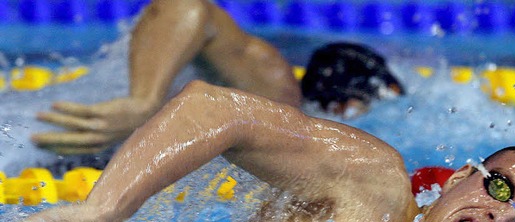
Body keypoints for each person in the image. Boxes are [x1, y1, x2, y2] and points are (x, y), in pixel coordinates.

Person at [1, 81, 515, 222]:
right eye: (502, 190)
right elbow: (215, 108)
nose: (504, 217)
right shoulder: (373, 182)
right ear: (457, 178)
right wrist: (99, 215)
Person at [31, 0, 403, 156]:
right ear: (349, 105)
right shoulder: (276, 89)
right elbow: (189, 7)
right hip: (75, 141)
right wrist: (143, 101)